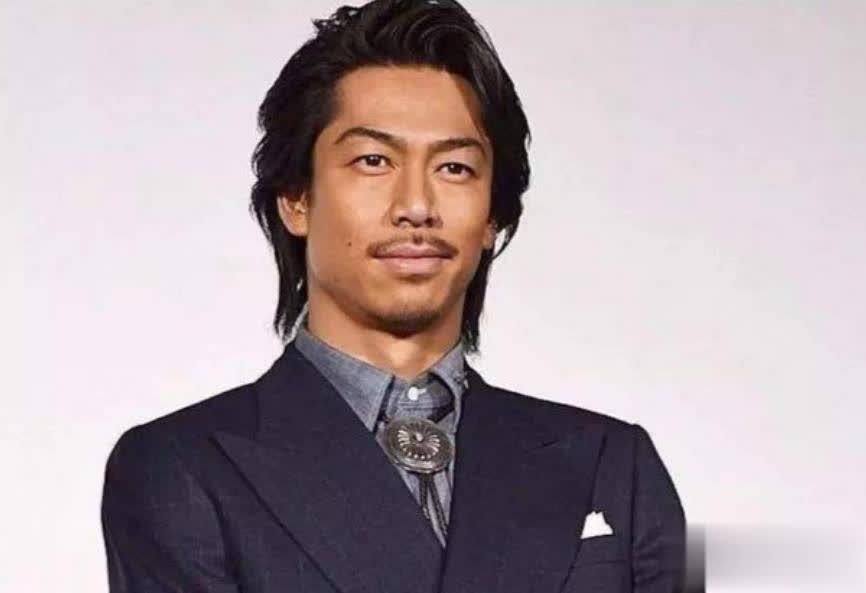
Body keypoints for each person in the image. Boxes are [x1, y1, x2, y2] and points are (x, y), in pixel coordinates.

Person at [100, 1, 687, 591]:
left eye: (455, 168)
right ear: (296, 198)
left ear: (493, 216)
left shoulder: (615, 465)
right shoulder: (180, 468)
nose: (417, 206)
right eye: (373, 160)